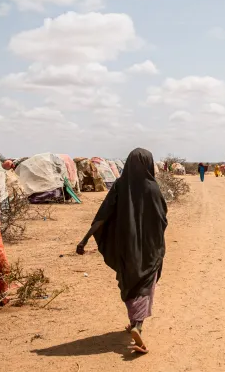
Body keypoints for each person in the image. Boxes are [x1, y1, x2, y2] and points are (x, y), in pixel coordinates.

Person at [76, 148, 167, 354]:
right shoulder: (152, 187)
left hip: (125, 245)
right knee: (145, 282)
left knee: (129, 279)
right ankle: (137, 325)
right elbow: (162, 218)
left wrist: (85, 239)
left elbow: (103, 215)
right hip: (150, 246)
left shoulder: (120, 185)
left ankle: (133, 321)